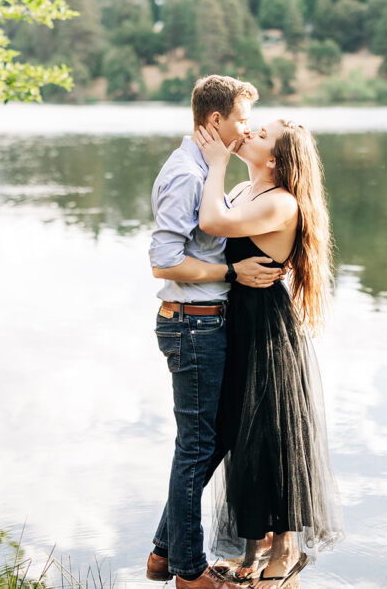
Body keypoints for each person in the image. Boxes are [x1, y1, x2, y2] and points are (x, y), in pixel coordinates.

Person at [193, 118, 344, 589]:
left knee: (272, 433)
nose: (248, 133)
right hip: (236, 320)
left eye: (260, 135)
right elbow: (219, 244)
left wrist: (215, 160)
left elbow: (212, 222)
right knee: (241, 432)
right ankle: (253, 547)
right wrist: (232, 271)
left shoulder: (281, 203)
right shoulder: (242, 188)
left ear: (274, 159)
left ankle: (284, 549)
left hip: (266, 327)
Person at [147, 75, 285, 589]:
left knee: (209, 441)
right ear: (215, 121)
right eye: (243, 119)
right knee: (197, 447)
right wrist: (232, 273)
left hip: (203, 324)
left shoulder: (207, 169)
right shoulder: (188, 173)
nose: (247, 128)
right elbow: (163, 262)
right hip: (191, 324)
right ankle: (188, 571)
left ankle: (166, 554)